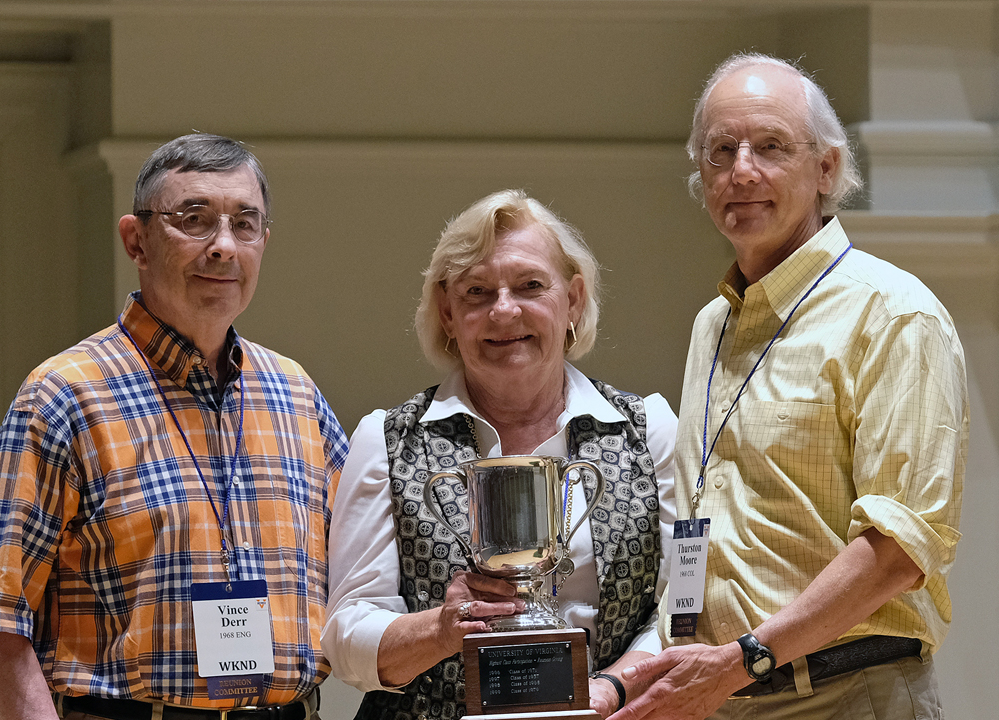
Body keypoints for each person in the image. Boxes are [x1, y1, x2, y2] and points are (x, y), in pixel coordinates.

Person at [613, 54, 968, 720]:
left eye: (770, 146)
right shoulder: (713, 323)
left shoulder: (892, 313)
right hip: (720, 697)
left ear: (826, 168)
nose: (742, 170)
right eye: (721, 151)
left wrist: (748, 656)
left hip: (845, 695)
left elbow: (899, 551)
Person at [0, 133, 348, 720]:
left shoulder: (295, 393)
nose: (223, 246)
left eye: (245, 224)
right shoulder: (64, 395)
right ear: (135, 241)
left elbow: (364, 574)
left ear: (264, 242)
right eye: (195, 220)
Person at [322, 189, 678, 720]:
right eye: (477, 292)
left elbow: (680, 609)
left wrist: (610, 689)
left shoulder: (648, 430)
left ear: (573, 299)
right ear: (447, 312)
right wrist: (440, 630)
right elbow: (346, 637)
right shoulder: (388, 439)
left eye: (531, 285)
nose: (504, 310)